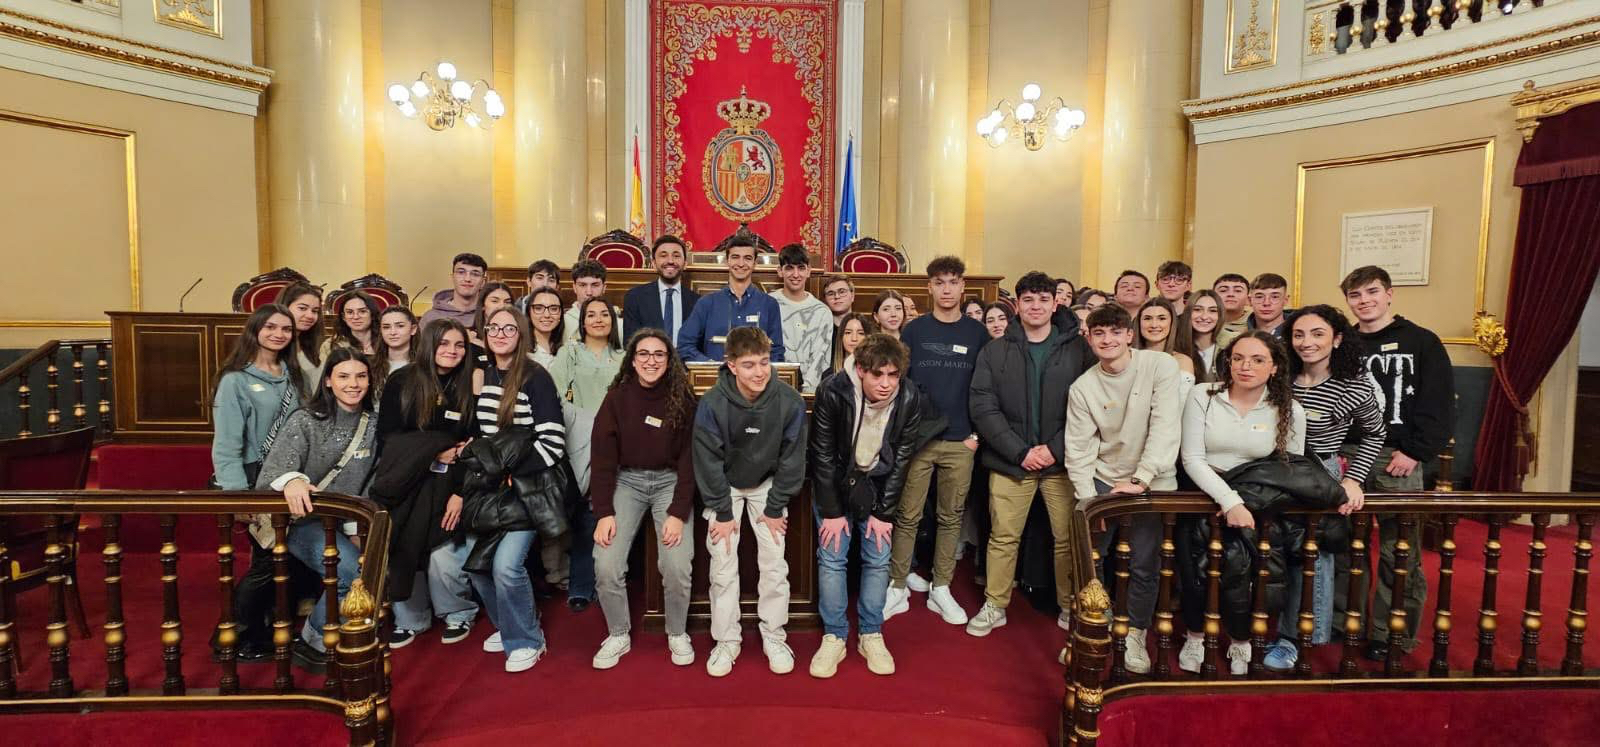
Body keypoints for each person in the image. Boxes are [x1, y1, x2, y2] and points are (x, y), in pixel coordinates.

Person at [808, 333, 945, 678]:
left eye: (893, 375)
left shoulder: (910, 396)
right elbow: (822, 456)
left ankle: (871, 632)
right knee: (832, 557)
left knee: (878, 557)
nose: (886, 384)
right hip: (836, 483)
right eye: (878, 375)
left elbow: (902, 458)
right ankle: (834, 635)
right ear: (861, 370)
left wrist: (884, 512)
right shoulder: (833, 390)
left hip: (878, 485)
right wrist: (834, 512)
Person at [967, 271, 1093, 637]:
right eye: (1028, 300)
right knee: (1004, 537)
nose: (1035, 306)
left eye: (1043, 299)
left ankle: (1071, 606)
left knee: (1068, 539)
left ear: (1056, 304)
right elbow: (983, 405)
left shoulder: (1078, 348)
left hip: (1063, 462)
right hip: (1011, 460)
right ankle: (995, 604)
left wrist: (1054, 450)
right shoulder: (995, 350)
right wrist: (1020, 451)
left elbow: (1089, 408)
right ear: (1017, 305)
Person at [1261, 304, 1385, 672]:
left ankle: (1294, 639)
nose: (1306, 342)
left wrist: (1353, 478)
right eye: (1298, 334)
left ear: (1337, 338)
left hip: (1320, 474)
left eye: (1317, 334)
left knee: (1313, 558)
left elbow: (1375, 433)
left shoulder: (1354, 384)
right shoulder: (1280, 376)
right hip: (1273, 470)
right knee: (1272, 553)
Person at [1341, 265, 1454, 661]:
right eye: (1355, 295)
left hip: (1397, 457)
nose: (1364, 301)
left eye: (1372, 292)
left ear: (1389, 294)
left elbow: (1438, 404)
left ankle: (1393, 634)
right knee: (1345, 545)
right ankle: (1345, 623)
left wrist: (1416, 451)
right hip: (1348, 454)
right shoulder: (1343, 343)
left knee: (1398, 550)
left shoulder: (1422, 341)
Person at [1178, 332, 1307, 675]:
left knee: (1248, 575)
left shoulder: (1288, 408)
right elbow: (1191, 457)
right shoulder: (1202, 395)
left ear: (1275, 367)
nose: (1245, 366)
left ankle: (1240, 641)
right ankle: (1194, 635)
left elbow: (1289, 468)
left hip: (1257, 501)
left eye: (1257, 359)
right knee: (1195, 573)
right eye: (1237, 358)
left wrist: (1243, 503)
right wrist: (1228, 500)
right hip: (1203, 493)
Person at [1065, 304, 1183, 676]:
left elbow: (1166, 426)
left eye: (1116, 332)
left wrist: (1141, 478)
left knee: (1145, 564)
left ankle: (1134, 632)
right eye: (1099, 333)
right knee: (1090, 562)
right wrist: (1090, 503)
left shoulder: (1160, 366)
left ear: (1130, 335)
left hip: (1154, 479)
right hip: (1102, 481)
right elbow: (1079, 449)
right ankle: (1088, 630)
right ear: (1089, 337)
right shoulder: (1083, 387)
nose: (1108, 340)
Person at [693, 326, 806, 677]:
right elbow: (707, 460)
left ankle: (774, 633)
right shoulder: (712, 403)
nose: (759, 372)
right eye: (748, 365)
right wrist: (722, 512)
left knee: (774, 562)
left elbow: (792, 459)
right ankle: (727, 640)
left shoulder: (789, 401)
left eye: (764, 362)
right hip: (725, 484)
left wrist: (775, 507)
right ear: (729, 365)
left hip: (767, 485)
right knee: (723, 566)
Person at [259, 346, 376, 673]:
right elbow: (272, 471)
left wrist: (355, 531)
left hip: (345, 522)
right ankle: (313, 644)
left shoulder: (374, 423)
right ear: (328, 381)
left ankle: (330, 640)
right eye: (343, 376)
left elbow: (369, 482)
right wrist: (293, 480)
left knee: (366, 572)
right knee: (351, 575)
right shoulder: (307, 419)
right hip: (303, 521)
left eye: (360, 376)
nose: (353, 384)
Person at [464, 306, 567, 672]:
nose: (501, 333)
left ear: (521, 334)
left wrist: (511, 472)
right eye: (494, 327)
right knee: (477, 568)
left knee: (507, 566)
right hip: (489, 488)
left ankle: (527, 638)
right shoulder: (483, 375)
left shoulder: (535, 377)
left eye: (510, 328)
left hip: (526, 487)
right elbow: (482, 435)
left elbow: (553, 441)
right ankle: (509, 624)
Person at [885, 256, 987, 626]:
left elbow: (985, 389)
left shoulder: (977, 334)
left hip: (962, 441)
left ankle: (940, 588)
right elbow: (900, 385)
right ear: (929, 287)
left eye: (953, 282)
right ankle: (896, 586)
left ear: (962, 287)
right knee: (907, 515)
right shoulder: (915, 331)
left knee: (950, 518)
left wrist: (976, 436)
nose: (946, 289)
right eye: (939, 282)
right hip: (919, 441)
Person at [589, 329, 699, 670]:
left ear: (669, 361)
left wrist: (678, 512)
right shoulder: (617, 398)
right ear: (633, 360)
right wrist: (605, 511)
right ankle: (618, 633)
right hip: (628, 481)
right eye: (644, 354)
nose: (651, 361)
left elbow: (690, 461)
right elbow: (603, 458)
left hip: (670, 482)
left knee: (677, 564)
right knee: (606, 563)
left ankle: (677, 632)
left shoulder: (683, 398)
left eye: (659, 354)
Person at [375, 319, 480, 649]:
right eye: (444, 343)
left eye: (459, 345)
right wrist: (437, 448)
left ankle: (458, 610)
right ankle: (411, 618)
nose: (452, 351)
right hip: (407, 481)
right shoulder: (402, 380)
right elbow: (388, 437)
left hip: (452, 482)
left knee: (443, 552)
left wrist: (460, 493)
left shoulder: (467, 384)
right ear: (429, 344)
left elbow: (473, 443)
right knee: (403, 545)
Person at [212, 304, 304, 661]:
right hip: (254, 478)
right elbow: (227, 445)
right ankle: (229, 638)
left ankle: (261, 631)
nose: (278, 334)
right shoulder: (235, 380)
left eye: (286, 329)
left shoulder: (292, 376)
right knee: (266, 561)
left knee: (281, 559)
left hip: (286, 477)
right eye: (270, 327)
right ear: (255, 330)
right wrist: (237, 496)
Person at [546, 297, 626, 613]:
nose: (597, 319)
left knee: (613, 511)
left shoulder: (623, 356)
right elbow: (553, 394)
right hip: (579, 439)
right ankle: (581, 583)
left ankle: (614, 580)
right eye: (590, 315)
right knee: (586, 514)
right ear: (581, 322)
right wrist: (588, 422)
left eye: (604, 314)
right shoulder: (570, 353)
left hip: (620, 442)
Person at [678, 239, 785, 362]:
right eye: (735, 257)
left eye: (747, 258)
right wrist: (710, 366)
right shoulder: (706, 303)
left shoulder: (769, 304)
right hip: (717, 379)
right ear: (726, 261)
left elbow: (777, 351)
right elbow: (684, 345)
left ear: (755, 263)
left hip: (756, 379)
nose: (741, 263)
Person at [773, 243, 832, 393]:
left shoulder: (822, 312)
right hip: (772, 388)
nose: (795, 274)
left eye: (801, 268)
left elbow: (820, 358)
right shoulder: (769, 304)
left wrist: (807, 392)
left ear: (808, 271)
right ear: (780, 271)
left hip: (808, 392)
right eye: (789, 268)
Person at [622, 235, 699, 345]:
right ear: (653, 264)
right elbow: (630, 343)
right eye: (663, 256)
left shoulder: (697, 302)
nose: (670, 261)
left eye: (676, 256)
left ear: (685, 264)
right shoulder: (635, 298)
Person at [1135, 298, 1199, 386]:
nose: (1154, 325)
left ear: (1172, 323)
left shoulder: (1182, 361)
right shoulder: (1128, 358)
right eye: (1147, 318)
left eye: (1161, 318)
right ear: (1139, 323)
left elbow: (1183, 398)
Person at [278, 282, 325, 393]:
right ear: (285, 306)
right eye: (302, 308)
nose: (310, 316)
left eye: (315, 311)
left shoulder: (314, 344)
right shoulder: (274, 344)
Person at [421, 252, 489, 329]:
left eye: (475, 274)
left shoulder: (490, 316)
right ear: (452, 277)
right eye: (461, 272)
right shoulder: (431, 318)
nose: (467, 279)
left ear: (483, 282)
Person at [565, 260, 623, 344]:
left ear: (604, 287)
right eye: (582, 285)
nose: (589, 292)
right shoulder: (564, 322)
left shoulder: (619, 322)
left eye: (595, 285)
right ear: (574, 287)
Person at [822, 312, 877, 382]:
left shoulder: (877, 372)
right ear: (841, 337)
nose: (854, 338)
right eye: (848, 333)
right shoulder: (829, 375)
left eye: (860, 333)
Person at [328, 290, 381, 357]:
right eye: (350, 312)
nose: (356, 317)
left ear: (372, 314)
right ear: (343, 317)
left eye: (362, 311)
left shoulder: (386, 342)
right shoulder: (329, 345)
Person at [1187, 289, 1223, 378]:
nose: (1204, 316)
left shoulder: (1232, 344)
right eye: (1197, 309)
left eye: (1212, 311)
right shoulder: (1176, 346)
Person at [525, 286, 565, 366]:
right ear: (529, 312)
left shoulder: (568, 348)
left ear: (561, 313)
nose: (547, 315)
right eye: (539, 308)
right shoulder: (520, 350)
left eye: (554, 309)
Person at [1213, 273, 1251, 349]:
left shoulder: (1255, 323)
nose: (1230, 294)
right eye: (1223, 290)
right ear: (1213, 296)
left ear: (1248, 299)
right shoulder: (1202, 321)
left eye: (1238, 290)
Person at [1248, 273, 1292, 337]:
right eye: (1259, 297)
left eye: (1275, 297)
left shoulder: (1299, 332)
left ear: (1285, 300)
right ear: (1250, 301)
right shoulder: (1237, 336)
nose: (1266, 303)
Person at [378, 305, 419, 375]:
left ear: (413, 329)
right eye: (386, 327)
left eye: (400, 326)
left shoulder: (426, 366)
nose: (393, 332)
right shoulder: (369, 365)